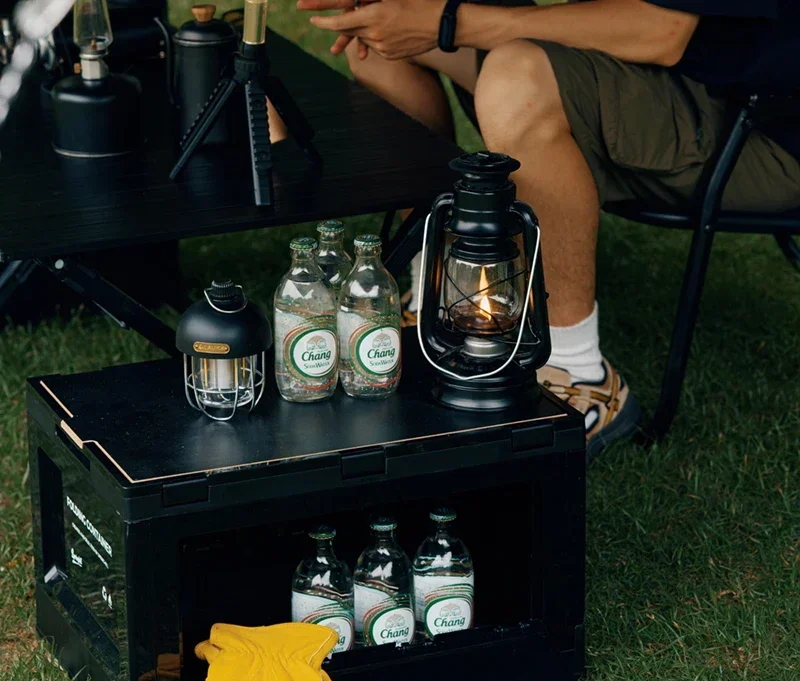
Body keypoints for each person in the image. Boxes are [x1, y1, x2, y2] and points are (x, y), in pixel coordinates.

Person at [299, 0, 800, 458]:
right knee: (384, 39)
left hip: (760, 128)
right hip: (671, 79)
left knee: (516, 76)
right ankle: (432, 301)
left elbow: (664, 30)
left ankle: (579, 374)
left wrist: (448, 22)